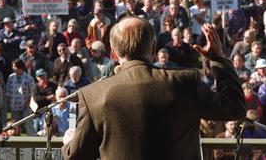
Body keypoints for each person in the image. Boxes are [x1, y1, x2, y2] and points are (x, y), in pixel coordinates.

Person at [61, 17, 245, 159]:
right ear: (153, 48)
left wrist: (69, 142)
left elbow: (76, 156)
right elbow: (234, 107)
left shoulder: (93, 95)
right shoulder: (185, 82)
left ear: (114, 53)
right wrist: (218, 59)